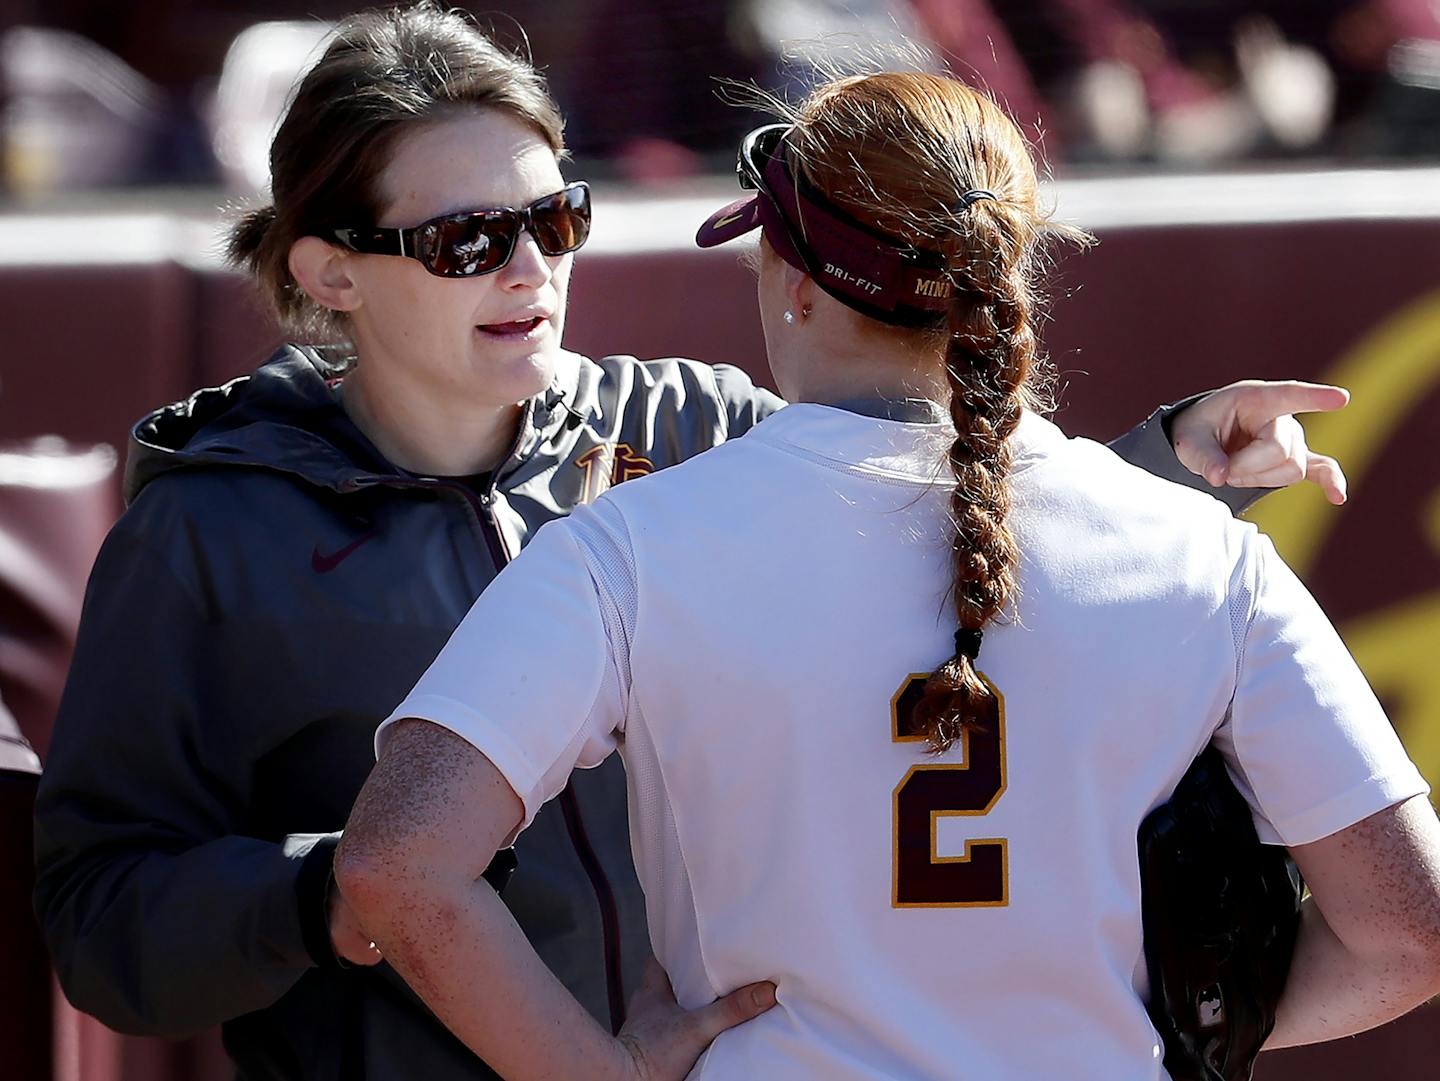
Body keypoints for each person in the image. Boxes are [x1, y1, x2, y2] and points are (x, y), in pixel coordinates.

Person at [32, 5, 1357, 1080]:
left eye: (557, 218)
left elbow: (919, 540)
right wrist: (343, 895)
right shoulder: (208, 523)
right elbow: (100, 926)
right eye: (465, 238)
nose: (530, 270)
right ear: (328, 271)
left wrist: (1152, 471)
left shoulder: (691, 423)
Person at [333, 68, 1440, 1080]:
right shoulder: (1205, 554)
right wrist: (1183, 1013)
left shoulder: (628, 547)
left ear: (798, 285)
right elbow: (1411, 931)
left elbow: (394, 867)